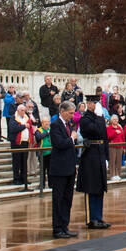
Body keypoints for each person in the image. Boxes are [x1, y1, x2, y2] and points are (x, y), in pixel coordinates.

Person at [77, 97, 110, 229]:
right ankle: (92, 218)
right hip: (90, 155)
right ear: (89, 104)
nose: (96, 106)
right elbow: (96, 130)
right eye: (94, 103)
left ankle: (99, 217)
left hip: (100, 153)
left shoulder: (98, 117)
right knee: (92, 187)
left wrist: (106, 156)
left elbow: (104, 137)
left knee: (100, 187)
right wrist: (100, 117)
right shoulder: (85, 119)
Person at [48, 101, 79, 238]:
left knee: (68, 199)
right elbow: (59, 144)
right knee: (58, 200)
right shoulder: (55, 125)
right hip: (59, 169)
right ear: (63, 111)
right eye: (70, 113)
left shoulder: (69, 125)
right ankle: (57, 228)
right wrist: (71, 139)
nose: (72, 116)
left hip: (69, 167)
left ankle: (65, 225)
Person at [106, 115, 124, 181]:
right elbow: (108, 137)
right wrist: (115, 133)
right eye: (114, 119)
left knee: (119, 161)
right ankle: (112, 175)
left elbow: (123, 137)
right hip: (112, 147)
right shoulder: (108, 128)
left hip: (120, 146)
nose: (115, 120)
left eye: (116, 119)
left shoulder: (119, 127)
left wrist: (124, 147)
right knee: (112, 161)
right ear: (111, 120)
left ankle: (118, 174)